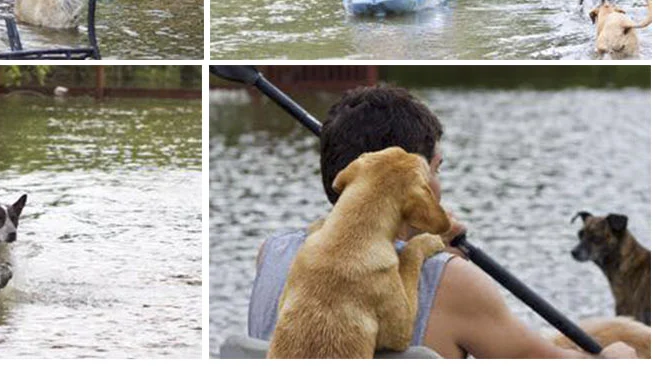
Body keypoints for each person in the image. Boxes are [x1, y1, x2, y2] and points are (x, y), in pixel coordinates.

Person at [247, 85, 637, 359]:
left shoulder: (274, 251)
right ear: (417, 186)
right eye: (436, 169)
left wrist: (422, 235)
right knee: (622, 343)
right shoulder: (452, 283)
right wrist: (616, 359)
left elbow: (347, 261)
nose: (440, 185)